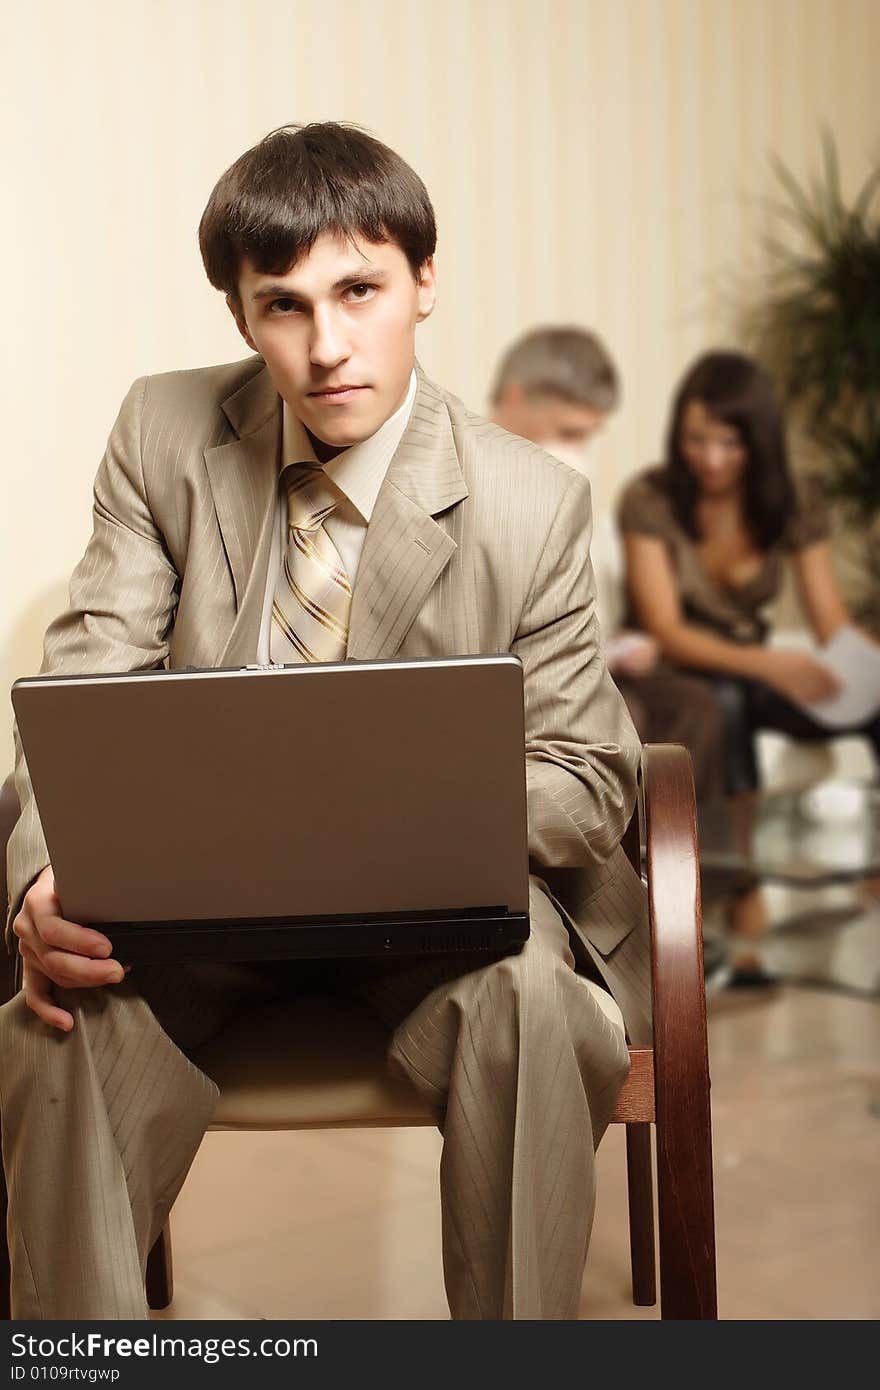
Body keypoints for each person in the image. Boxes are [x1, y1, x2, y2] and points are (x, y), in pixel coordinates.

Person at [1, 122, 650, 1321]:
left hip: (443, 931)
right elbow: (82, 692)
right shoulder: (162, 434)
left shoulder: (529, 500)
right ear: (241, 317)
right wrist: (42, 880)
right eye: (283, 306)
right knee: (54, 1013)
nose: (328, 346)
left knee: (534, 1001)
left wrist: (395, 802)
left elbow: (587, 776)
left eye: (361, 290)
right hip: (196, 920)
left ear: (424, 282)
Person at [617, 348, 880, 960]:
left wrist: (863, 664)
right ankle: (744, 888)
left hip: (753, 663)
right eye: (696, 439)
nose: (710, 458)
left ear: (758, 443)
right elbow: (668, 628)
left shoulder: (789, 502)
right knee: (725, 702)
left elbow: (831, 623)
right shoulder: (651, 499)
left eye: (729, 443)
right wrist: (775, 666)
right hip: (677, 668)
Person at [489, 324, 726, 804]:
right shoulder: (473, 482)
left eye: (588, 437)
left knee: (698, 707)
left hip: (590, 664)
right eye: (569, 433)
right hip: (517, 677)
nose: (577, 452)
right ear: (515, 399)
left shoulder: (571, 498)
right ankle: (607, 865)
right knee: (620, 713)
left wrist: (614, 645)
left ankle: (666, 858)